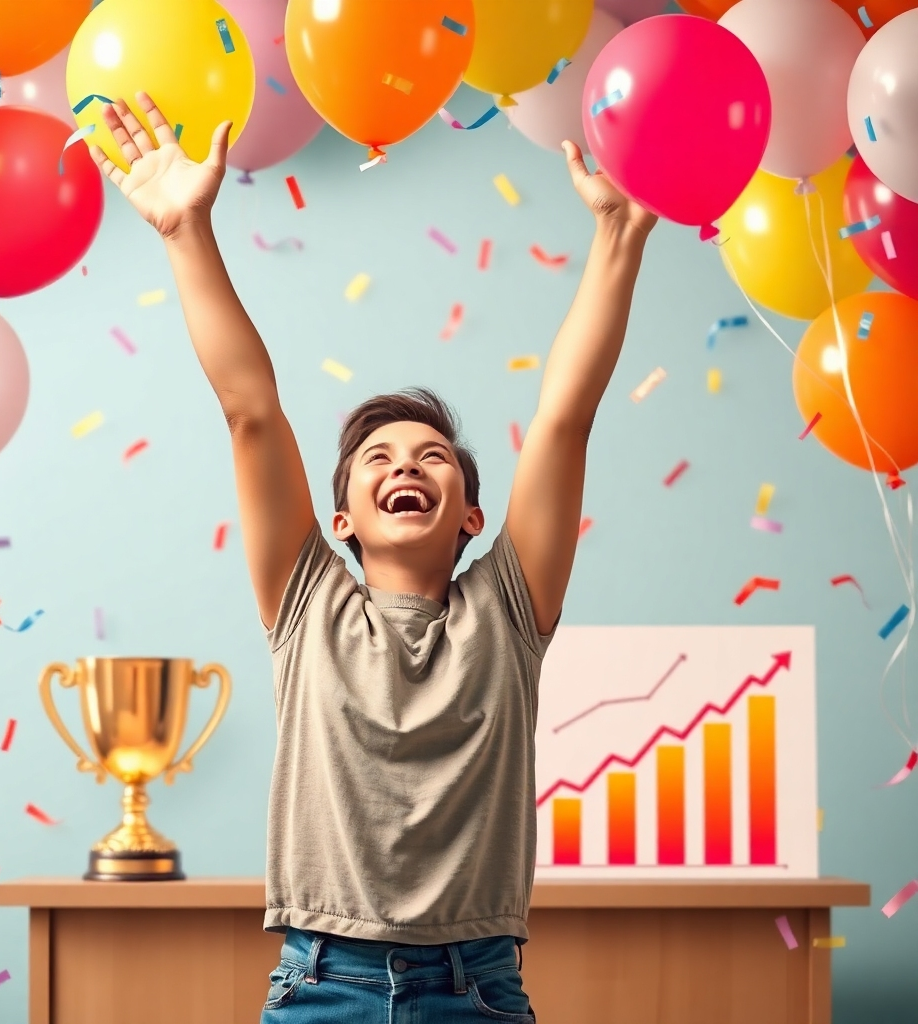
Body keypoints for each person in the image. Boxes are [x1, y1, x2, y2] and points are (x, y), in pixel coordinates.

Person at [92, 92, 657, 1023]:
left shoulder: (509, 609)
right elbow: (250, 410)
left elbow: (564, 417)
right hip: (320, 984)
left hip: (478, 990)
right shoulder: (306, 599)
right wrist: (186, 231)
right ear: (340, 518)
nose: (406, 466)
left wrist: (620, 235)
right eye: (378, 460)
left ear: (472, 515)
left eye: (432, 457)